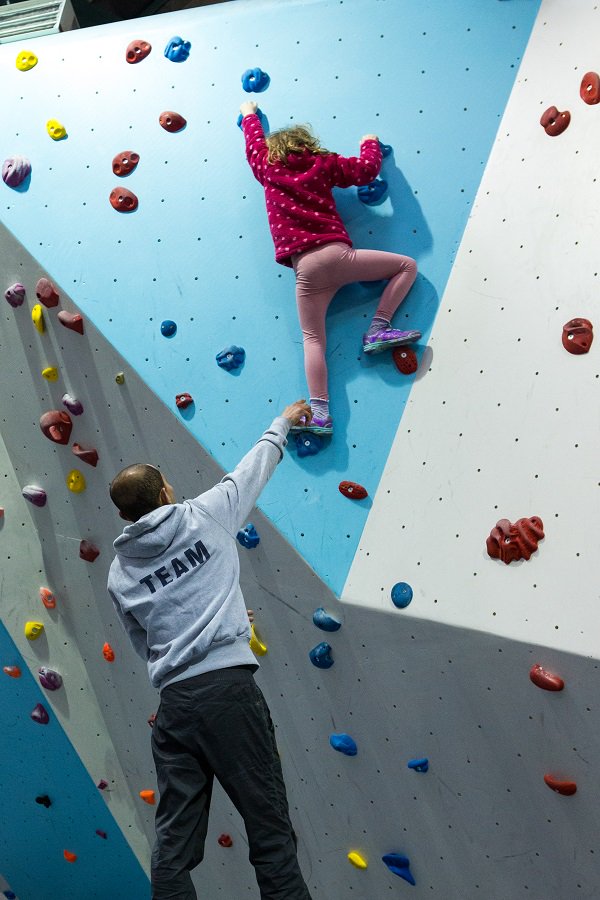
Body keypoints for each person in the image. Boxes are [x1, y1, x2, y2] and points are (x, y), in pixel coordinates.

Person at [107, 400, 313, 900]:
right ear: (164, 493)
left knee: (174, 850)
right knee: (270, 832)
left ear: (125, 514)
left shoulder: (119, 572)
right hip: (229, 697)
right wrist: (283, 421)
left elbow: (146, 640)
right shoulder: (205, 515)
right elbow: (254, 468)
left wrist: (201, 635)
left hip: (176, 708)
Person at [240, 100, 420, 435]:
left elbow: (253, 147)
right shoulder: (323, 163)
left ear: (272, 150)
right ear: (307, 144)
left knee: (313, 341)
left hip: (305, 271)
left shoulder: (267, 166)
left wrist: (249, 115)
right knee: (406, 267)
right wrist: (369, 142)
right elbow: (366, 170)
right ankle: (379, 327)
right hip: (337, 256)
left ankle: (320, 413)